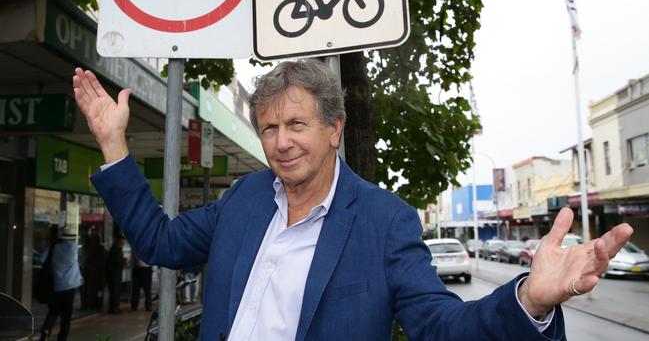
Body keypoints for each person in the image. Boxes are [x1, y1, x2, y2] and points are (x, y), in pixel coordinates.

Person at [72, 61, 633, 341]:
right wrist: (115, 145)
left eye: (296, 123)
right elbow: (159, 241)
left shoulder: (384, 220)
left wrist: (529, 301)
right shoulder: (244, 198)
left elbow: (439, 325)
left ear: (335, 129)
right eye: (268, 128)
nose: (281, 141)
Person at [39, 227, 84, 341]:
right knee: (66, 315)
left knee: (54, 311)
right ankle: (62, 338)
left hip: (57, 285)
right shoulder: (74, 248)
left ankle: (46, 330)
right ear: (73, 238)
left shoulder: (54, 247)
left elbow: (42, 258)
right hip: (69, 287)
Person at [106, 236, 126, 314]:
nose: (123, 243)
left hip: (115, 273)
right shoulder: (116, 249)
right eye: (122, 241)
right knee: (115, 291)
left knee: (116, 291)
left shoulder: (117, 248)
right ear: (119, 241)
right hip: (114, 274)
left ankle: (115, 307)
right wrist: (123, 262)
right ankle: (114, 308)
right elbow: (116, 261)